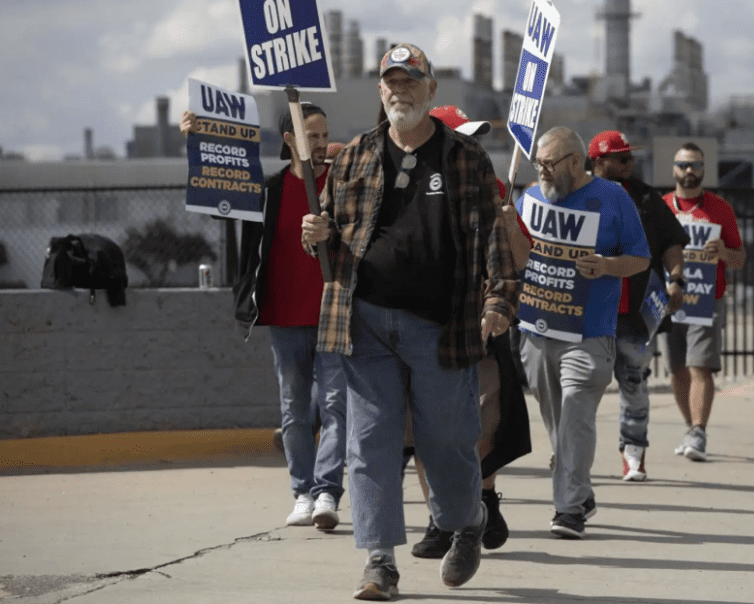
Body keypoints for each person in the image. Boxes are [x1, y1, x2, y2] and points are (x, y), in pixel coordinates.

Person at [301, 43, 519, 600]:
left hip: (441, 325)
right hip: (364, 322)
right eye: (391, 81)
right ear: (380, 91)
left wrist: (498, 302)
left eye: (411, 80)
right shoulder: (353, 158)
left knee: (445, 440)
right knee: (370, 441)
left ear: (431, 90)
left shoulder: (465, 159)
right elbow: (328, 233)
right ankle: (379, 562)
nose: (401, 89)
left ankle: (466, 521)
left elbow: (492, 238)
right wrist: (315, 236)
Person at [180, 104, 347, 530]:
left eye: (325, 134)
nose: (323, 142)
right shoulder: (268, 191)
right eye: (313, 136)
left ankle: (328, 490)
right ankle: (303, 493)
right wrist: (196, 140)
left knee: (334, 406)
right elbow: (219, 187)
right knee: (293, 409)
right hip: (284, 316)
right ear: (289, 140)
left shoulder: (341, 186)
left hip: (333, 314)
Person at [408, 105, 533, 559]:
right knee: (425, 430)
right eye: (464, 136)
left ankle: (484, 498)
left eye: (475, 137)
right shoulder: (411, 186)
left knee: (483, 422)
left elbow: (520, 258)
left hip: (483, 324)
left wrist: (503, 217)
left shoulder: (492, 186)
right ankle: (440, 520)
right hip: (427, 327)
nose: (472, 144)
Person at [516, 126, 650, 538]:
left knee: (574, 411)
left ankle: (569, 510)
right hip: (537, 331)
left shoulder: (613, 199)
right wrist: (508, 227)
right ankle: (581, 489)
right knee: (557, 422)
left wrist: (608, 266)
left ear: (575, 162)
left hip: (589, 334)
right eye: (537, 163)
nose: (541, 170)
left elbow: (640, 259)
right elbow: (518, 257)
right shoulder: (530, 197)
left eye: (548, 164)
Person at [588, 130, 687, 481]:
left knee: (633, 381)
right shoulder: (577, 195)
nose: (630, 164)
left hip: (634, 312)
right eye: (623, 158)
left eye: (631, 158)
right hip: (589, 311)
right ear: (600, 161)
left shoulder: (645, 198)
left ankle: (633, 453)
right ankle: (571, 450)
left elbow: (672, 242)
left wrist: (676, 279)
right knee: (582, 385)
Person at [663, 143, 745, 461]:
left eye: (694, 165)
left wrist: (723, 252)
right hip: (671, 299)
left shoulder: (720, 209)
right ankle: (690, 426)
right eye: (683, 165)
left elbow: (740, 258)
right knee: (677, 369)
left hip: (706, 299)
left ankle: (699, 431)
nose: (688, 171)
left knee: (700, 366)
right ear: (673, 169)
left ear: (703, 169)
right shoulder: (663, 206)